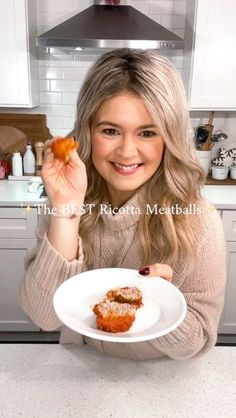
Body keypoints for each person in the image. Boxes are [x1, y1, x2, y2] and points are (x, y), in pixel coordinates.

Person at [19, 48, 226, 360]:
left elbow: (197, 343)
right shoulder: (68, 199)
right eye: (111, 130)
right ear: (88, 130)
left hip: (156, 381)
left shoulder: (198, 221)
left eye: (147, 133)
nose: (128, 152)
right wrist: (66, 211)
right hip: (80, 369)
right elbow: (44, 317)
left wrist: (164, 301)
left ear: (168, 137)